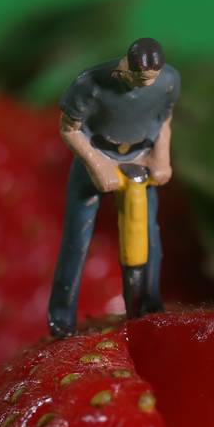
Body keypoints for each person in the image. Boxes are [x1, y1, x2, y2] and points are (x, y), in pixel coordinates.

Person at [46, 37, 180, 338]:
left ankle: (148, 306)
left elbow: (164, 120)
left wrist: (161, 158)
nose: (145, 83)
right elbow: (69, 129)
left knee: (149, 236)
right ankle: (61, 320)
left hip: (141, 157)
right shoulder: (90, 84)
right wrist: (98, 165)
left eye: (151, 78)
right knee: (77, 241)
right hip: (96, 156)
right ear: (126, 67)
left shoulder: (169, 80)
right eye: (139, 77)